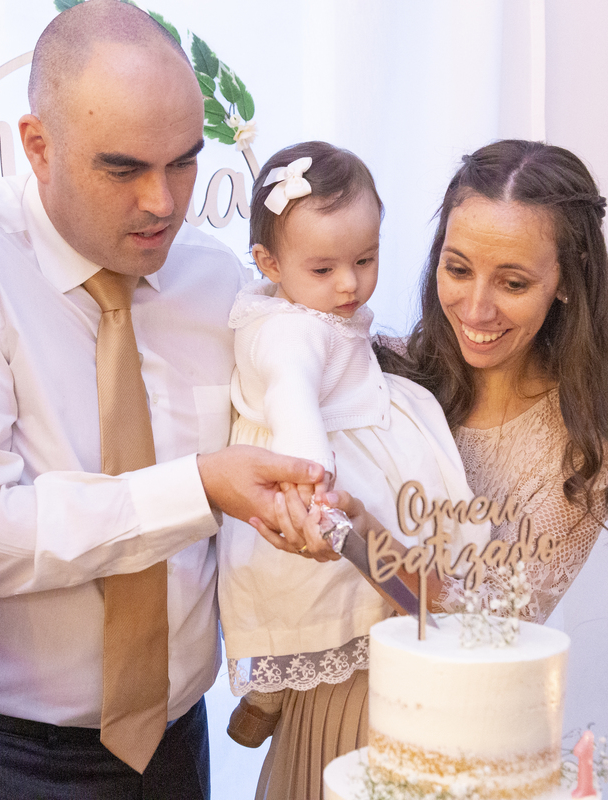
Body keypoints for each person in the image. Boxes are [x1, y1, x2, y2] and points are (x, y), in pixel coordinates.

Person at [0, 3, 332, 798]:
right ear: (37, 146)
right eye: (124, 169)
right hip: (6, 751)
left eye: (184, 163)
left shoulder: (214, 278)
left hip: (177, 741)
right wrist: (197, 488)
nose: (163, 201)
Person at [218, 142, 487, 800]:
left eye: (365, 260)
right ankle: (272, 695)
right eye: (324, 268)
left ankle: (269, 699)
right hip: (316, 486)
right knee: (327, 596)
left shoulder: (311, 312)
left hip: (354, 451)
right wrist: (312, 477)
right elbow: (292, 397)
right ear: (269, 263)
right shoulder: (289, 334)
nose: (349, 285)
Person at [377, 139, 608, 622]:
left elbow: (489, 625)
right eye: (458, 269)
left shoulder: (580, 455)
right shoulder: (376, 370)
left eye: (513, 283)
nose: (476, 310)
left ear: (568, 280)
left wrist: (355, 535)